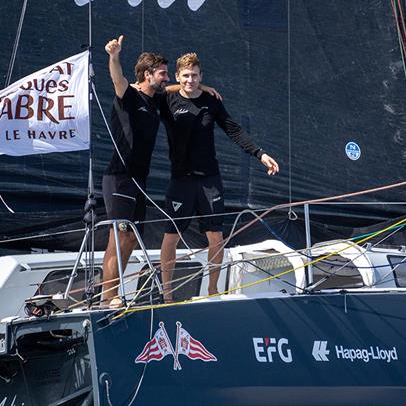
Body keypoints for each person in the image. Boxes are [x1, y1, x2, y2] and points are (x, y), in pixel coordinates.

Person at [101, 36, 219, 306]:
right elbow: (117, 79)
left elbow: (178, 87)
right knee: (118, 238)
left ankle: (112, 292)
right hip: (119, 178)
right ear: (146, 75)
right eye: (162, 74)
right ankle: (108, 297)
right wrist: (114, 56)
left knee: (131, 239)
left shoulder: (156, 99)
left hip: (139, 180)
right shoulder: (129, 94)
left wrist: (202, 86)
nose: (166, 78)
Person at [159, 52, 279, 302]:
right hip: (181, 180)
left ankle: (213, 290)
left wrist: (260, 154)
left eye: (195, 76)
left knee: (216, 236)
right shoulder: (167, 100)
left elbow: (233, 130)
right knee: (170, 237)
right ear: (178, 77)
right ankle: (167, 293)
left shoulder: (211, 102)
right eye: (186, 76)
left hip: (209, 180)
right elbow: (151, 88)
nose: (190, 80)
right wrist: (195, 86)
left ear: (201, 75)